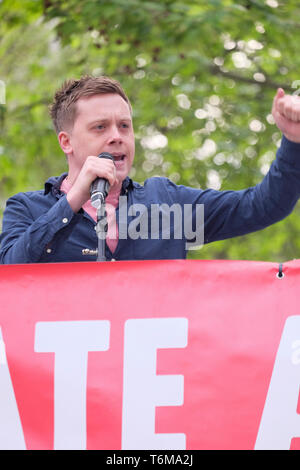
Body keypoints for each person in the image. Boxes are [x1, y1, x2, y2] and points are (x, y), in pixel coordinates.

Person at [0, 75, 300, 264]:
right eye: (100, 127)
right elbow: (10, 272)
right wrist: (73, 199)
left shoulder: (168, 204)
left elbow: (264, 207)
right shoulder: (27, 209)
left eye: (124, 126)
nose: (117, 136)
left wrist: (293, 141)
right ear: (66, 142)